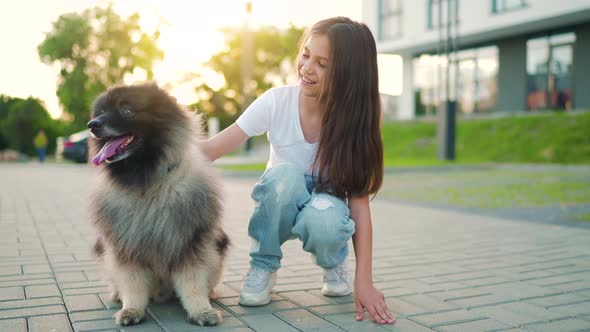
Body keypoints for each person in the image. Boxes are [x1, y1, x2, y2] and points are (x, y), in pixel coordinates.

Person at [200, 17, 395, 325]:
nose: (307, 68)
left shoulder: (355, 124)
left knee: (326, 215)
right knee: (284, 177)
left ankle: (333, 262)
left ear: (348, 74)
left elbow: (358, 208)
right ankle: (264, 265)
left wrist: (364, 281)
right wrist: (151, 151)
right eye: (306, 55)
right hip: (279, 202)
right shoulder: (276, 102)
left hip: (323, 208)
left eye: (322, 64)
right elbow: (211, 149)